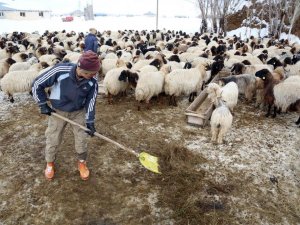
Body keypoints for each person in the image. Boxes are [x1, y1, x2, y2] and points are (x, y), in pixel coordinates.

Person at [32, 50, 101, 181]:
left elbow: (91, 101)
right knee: (53, 137)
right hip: (58, 111)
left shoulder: (92, 81)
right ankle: (50, 162)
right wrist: (42, 103)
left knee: (82, 137)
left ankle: (82, 162)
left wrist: (90, 121)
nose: (92, 76)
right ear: (80, 68)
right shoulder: (60, 70)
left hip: (78, 111)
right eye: (89, 73)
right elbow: (37, 84)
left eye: (94, 73)